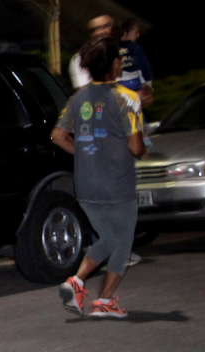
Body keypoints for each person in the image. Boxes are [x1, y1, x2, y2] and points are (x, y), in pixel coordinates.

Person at [52, 37, 147, 319]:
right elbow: (135, 146)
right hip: (118, 182)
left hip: (86, 183)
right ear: (115, 64)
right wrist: (143, 151)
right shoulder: (127, 99)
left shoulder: (76, 99)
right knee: (123, 241)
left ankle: (77, 283)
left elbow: (58, 136)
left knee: (108, 238)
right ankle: (103, 300)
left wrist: (82, 153)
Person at [116, 18, 154, 108]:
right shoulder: (135, 48)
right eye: (135, 32)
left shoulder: (112, 48)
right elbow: (145, 68)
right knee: (137, 111)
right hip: (134, 83)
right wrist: (148, 85)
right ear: (125, 33)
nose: (138, 35)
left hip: (118, 87)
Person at [69, 14, 114, 90]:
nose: (100, 32)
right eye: (94, 30)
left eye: (106, 26)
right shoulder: (81, 59)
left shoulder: (126, 51)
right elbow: (83, 93)